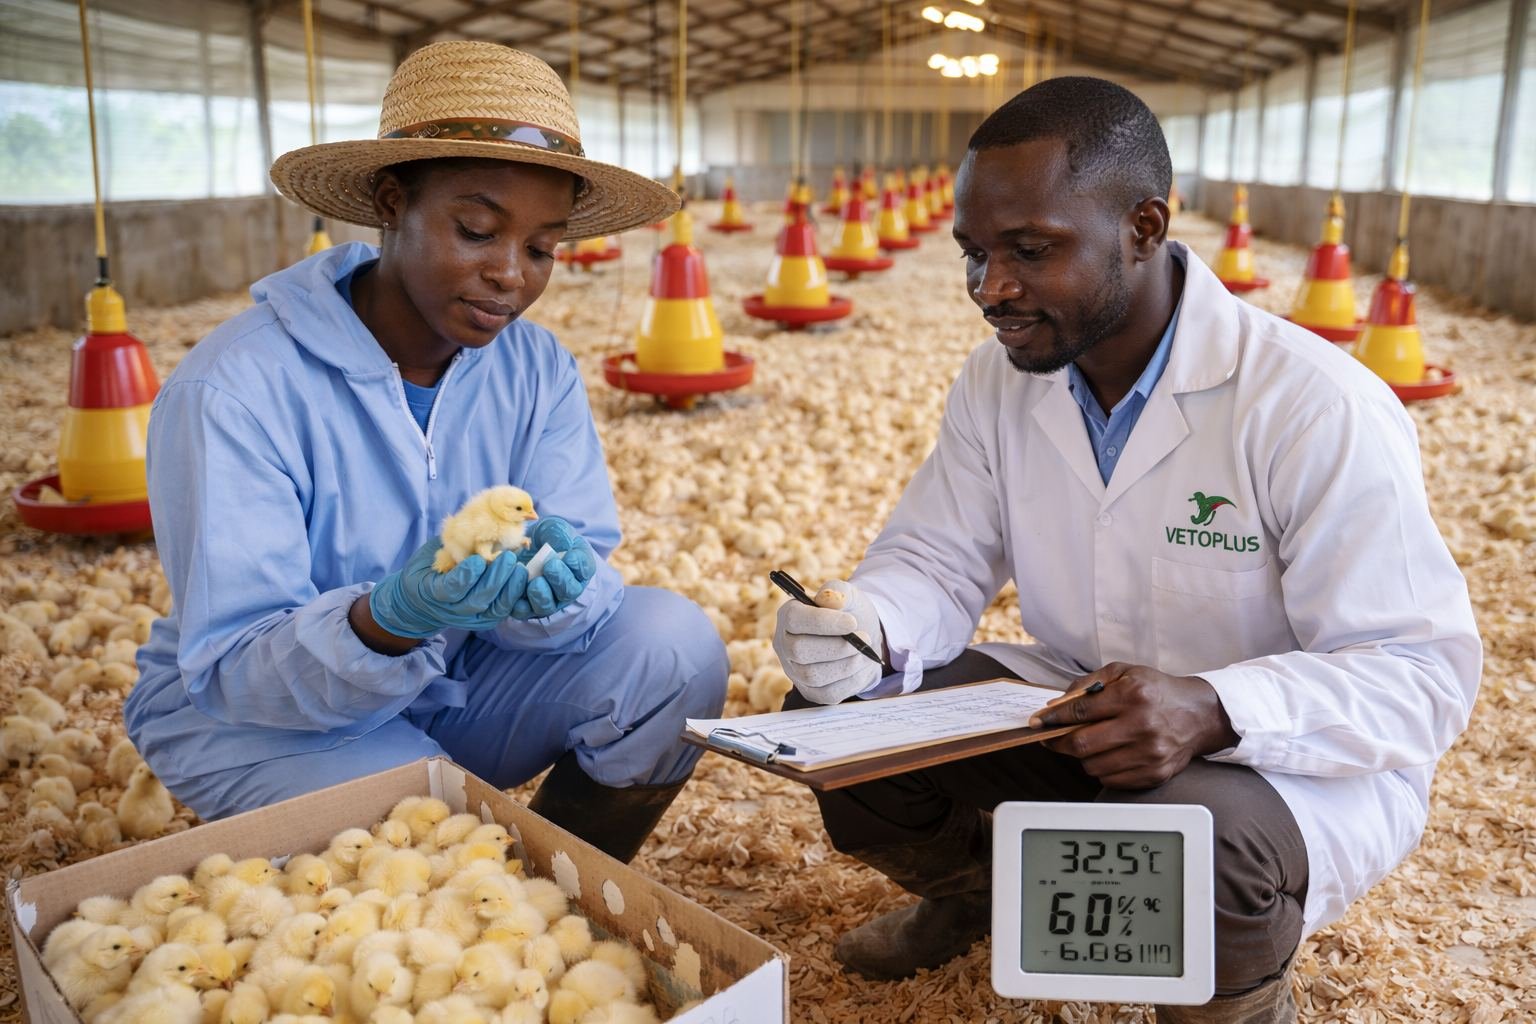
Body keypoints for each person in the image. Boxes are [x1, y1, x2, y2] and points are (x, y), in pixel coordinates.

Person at [772, 77, 1480, 1023]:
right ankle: (979, 893)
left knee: (1190, 838)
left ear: (1143, 228)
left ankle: (1229, 996)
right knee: (843, 720)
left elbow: (1420, 672)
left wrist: (1218, 706)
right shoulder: (999, 382)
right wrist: (867, 624)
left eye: (1031, 250)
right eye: (975, 254)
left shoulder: (1312, 405)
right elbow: (938, 562)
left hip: (1277, 763)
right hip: (1082, 706)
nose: (991, 290)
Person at [125, 41, 728, 863]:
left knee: (673, 650)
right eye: (477, 230)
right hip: (258, 716)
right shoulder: (235, 388)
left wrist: (557, 590)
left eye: (543, 248)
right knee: (426, 823)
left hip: (451, 678)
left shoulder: (534, 367)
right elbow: (234, 666)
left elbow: (581, 555)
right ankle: (464, 873)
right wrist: (387, 619)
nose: (511, 275)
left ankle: (569, 888)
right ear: (388, 202)